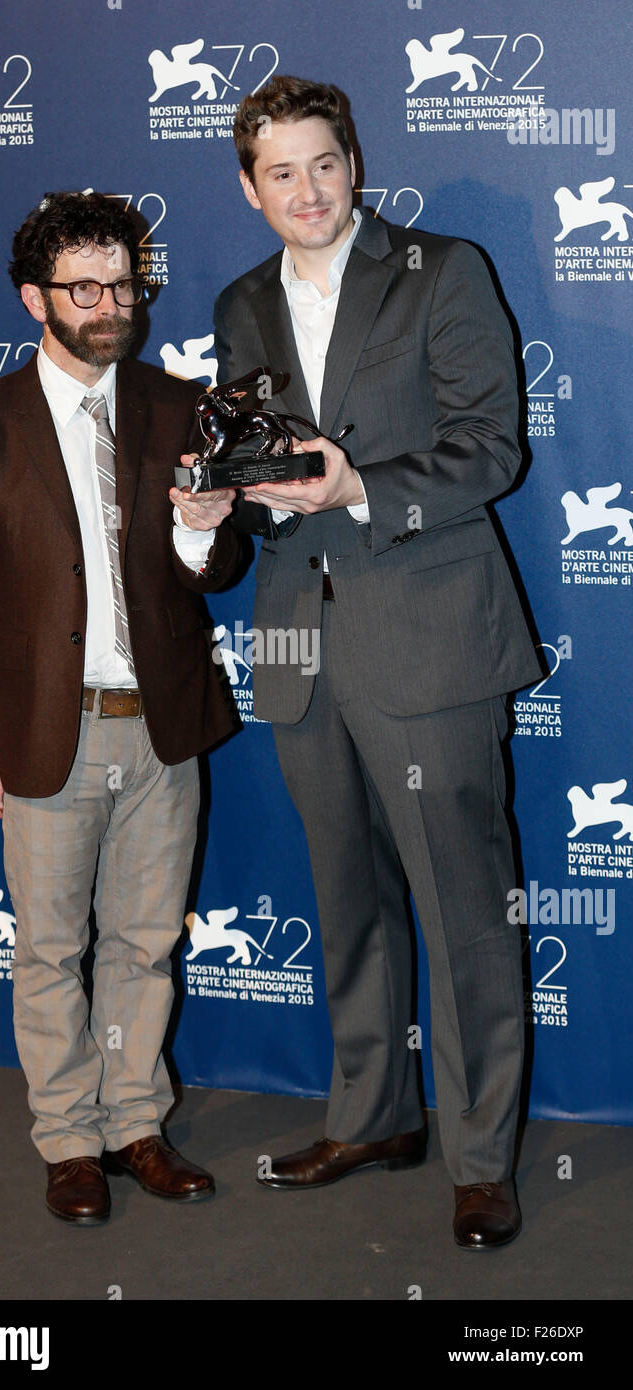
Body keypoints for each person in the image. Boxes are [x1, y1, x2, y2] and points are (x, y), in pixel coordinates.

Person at [170, 77, 543, 1249]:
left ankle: (482, 1158)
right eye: (280, 172)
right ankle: (375, 1114)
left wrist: (361, 488)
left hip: (427, 628)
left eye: (324, 163)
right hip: (292, 632)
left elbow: (493, 449)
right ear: (249, 186)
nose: (307, 190)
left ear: (355, 162)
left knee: (464, 905)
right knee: (349, 898)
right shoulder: (239, 303)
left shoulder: (446, 269)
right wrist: (212, 507)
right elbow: (259, 471)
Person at [0, 191, 241, 1224]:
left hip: (163, 722)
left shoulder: (177, 404)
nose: (111, 304)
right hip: (41, 733)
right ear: (35, 299)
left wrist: (202, 528)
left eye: (124, 284)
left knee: (146, 942)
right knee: (51, 947)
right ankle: (67, 1138)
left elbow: (216, 565)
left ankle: (135, 1124)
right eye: (85, 287)